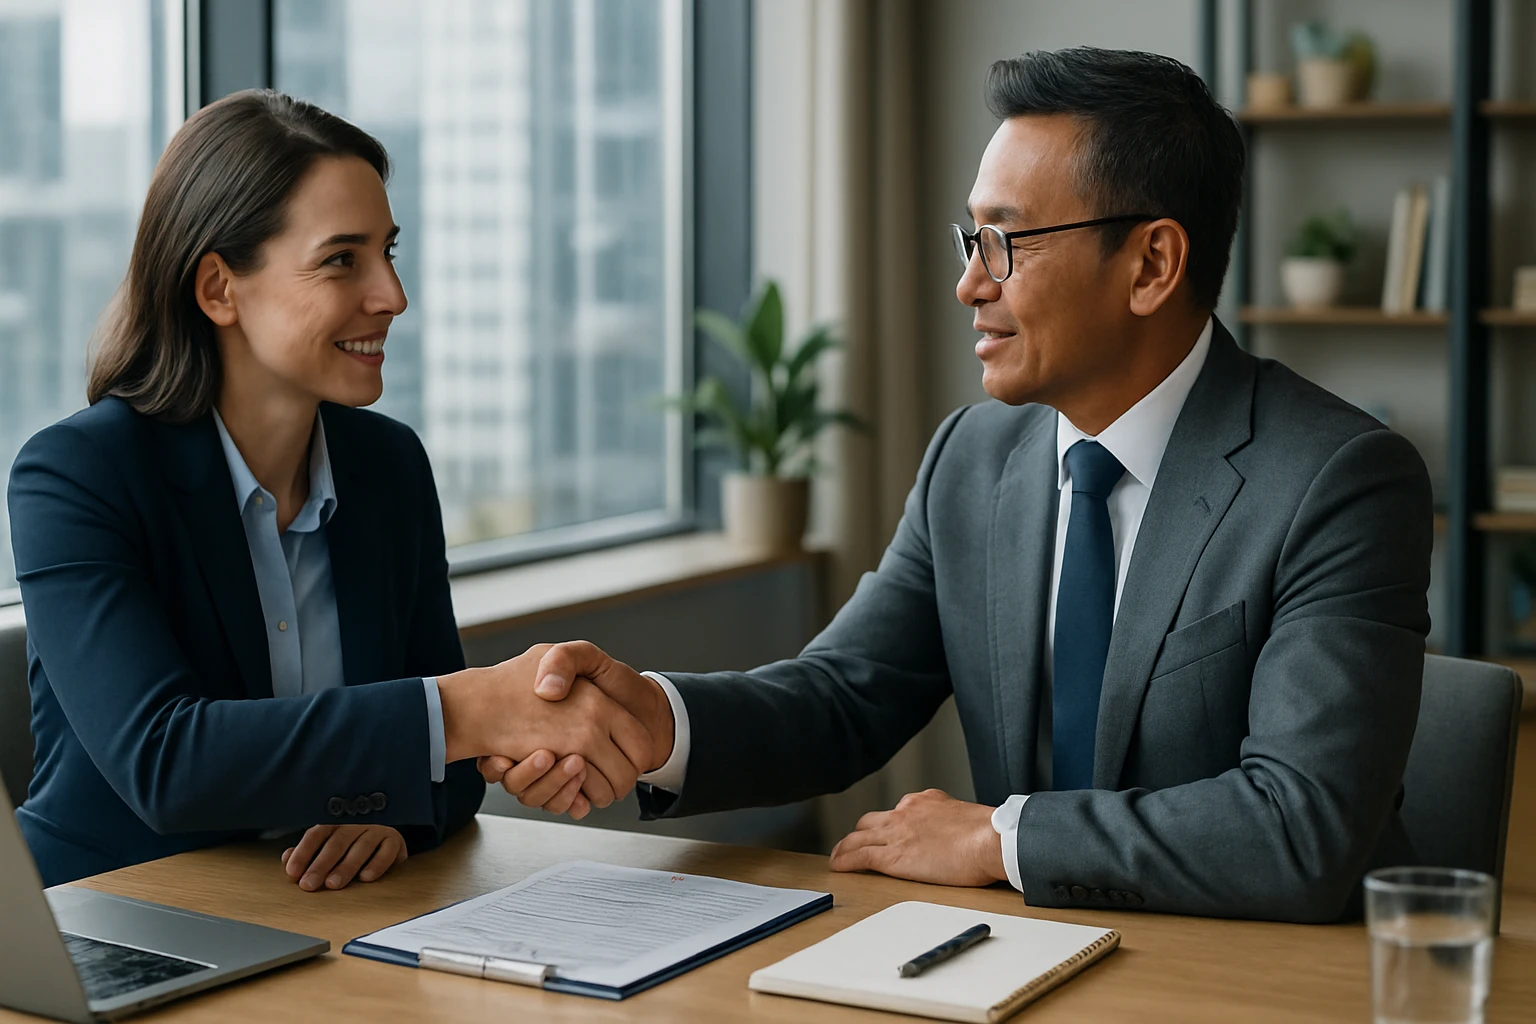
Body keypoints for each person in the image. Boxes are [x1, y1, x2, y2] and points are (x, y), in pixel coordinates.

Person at [483, 48, 1433, 923]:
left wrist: (997, 836)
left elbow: (1299, 826)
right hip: (1015, 957)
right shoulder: (972, 459)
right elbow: (842, 698)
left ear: (1152, 264)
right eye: (968, 240)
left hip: (1254, 980)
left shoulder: (1337, 481)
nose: (970, 285)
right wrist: (658, 722)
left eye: (1007, 243)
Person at [7, 90, 656, 889]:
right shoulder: (76, 475)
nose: (392, 295)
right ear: (218, 289)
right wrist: (475, 708)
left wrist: (385, 813)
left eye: (389, 251)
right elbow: (166, 761)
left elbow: (447, 773)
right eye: (342, 258)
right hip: (106, 919)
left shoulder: (388, 467)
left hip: (316, 922)